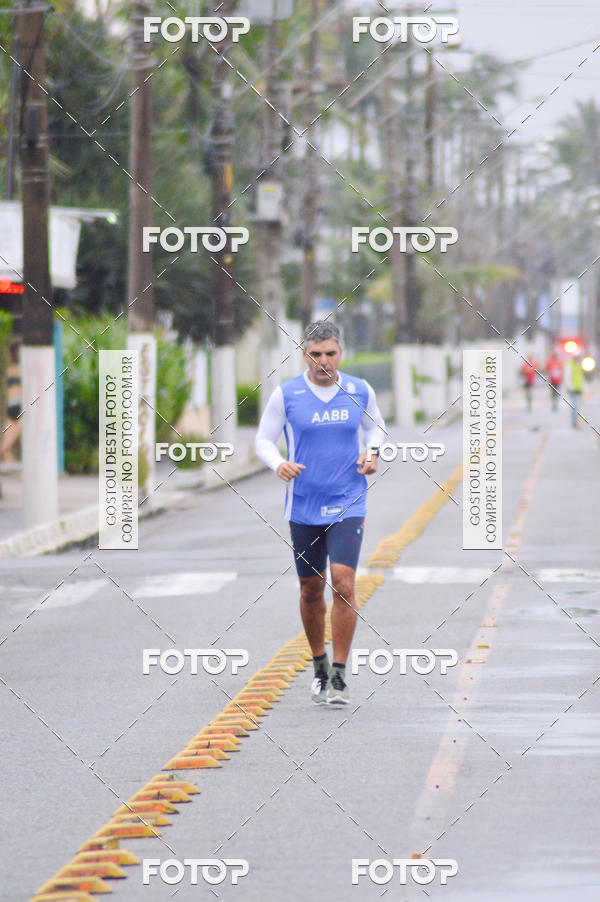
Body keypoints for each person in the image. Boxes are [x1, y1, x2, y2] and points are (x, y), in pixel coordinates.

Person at [255, 321, 386, 705]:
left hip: (348, 500)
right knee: (311, 589)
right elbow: (263, 439)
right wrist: (278, 463)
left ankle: (340, 675)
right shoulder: (287, 394)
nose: (323, 361)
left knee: (344, 584)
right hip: (304, 505)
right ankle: (319, 666)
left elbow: (375, 427)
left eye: (330, 353)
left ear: (340, 353)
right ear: (304, 355)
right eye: (315, 354)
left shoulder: (359, 390)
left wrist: (372, 452)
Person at [565, 353, 584, 428]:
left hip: (578, 389)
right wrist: (570, 387)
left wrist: (583, 387)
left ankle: (574, 421)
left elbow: (581, 377)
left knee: (576, 406)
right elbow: (567, 377)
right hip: (573, 389)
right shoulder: (569, 365)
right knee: (575, 406)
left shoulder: (578, 365)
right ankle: (574, 422)